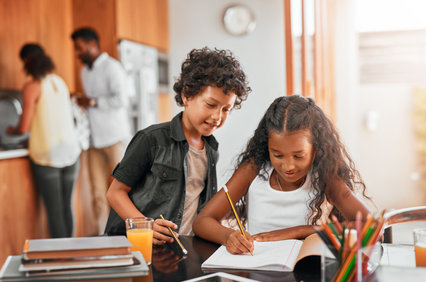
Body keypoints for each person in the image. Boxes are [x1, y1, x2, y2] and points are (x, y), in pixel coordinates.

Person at [104, 47, 251, 245]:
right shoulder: (151, 139)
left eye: (226, 109)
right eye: (210, 105)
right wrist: (144, 225)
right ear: (186, 96)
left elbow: (201, 206)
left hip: (183, 248)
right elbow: (115, 193)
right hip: (142, 246)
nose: (217, 117)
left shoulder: (211, 149)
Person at [192, 95, 372, 254]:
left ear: (316, 149)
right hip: (257, 268)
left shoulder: (323, 176)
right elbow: (202, 221)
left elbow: (370, 226)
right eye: (277, 155)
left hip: (303, 272)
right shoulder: (253, 169)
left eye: (298, 156)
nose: (288, 166)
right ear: (266, 147)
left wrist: (298, 231)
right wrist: (229, 236)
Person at [7, 43, 80, 238]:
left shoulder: (32, 86)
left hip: (48, 155)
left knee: (55, 211)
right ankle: (71, 255)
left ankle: (60, 260)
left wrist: (11, 130)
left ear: (25, 62)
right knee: (66, 207)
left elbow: (23, 127)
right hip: (71, 152)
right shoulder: (59, 82)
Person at [71, 27, 131, 233]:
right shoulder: (84, 72)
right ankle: (102, 237)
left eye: (79, 48)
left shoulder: (112, 67)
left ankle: (127, 234)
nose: (77, 53)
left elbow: (121, 100)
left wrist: (93, 101)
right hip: (93, 141)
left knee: (121, 191)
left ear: (92, 45)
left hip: (115, 139)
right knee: (97, 194)